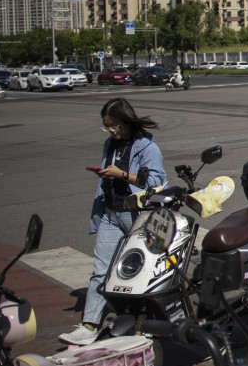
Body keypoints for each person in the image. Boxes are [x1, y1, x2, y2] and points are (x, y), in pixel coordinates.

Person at [59, 98, 168, 345]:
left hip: (137, 215)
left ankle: (144, 323)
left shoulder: (147, 147)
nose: (112, 130)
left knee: (140, 271)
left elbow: (157, 184)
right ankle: (89, 325)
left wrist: (123, 175)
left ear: (127, 121)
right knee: (101, 269)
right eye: (107, 126)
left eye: (115, 125)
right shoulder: (110, 143)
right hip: (111, 213)